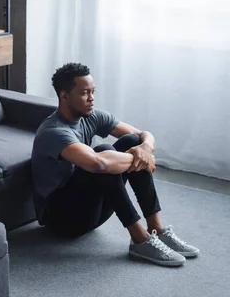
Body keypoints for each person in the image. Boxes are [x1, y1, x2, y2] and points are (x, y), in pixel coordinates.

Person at [31, 62, 199, 267]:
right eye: (85, 93)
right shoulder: (54, 131)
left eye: (93, 92)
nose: (91, 99)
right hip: (62, 220)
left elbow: (143, 135)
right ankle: (140, 239)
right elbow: (98, 164)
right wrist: (142, 159)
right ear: (64, 96)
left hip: (92, 212)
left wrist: (145, 148)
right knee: (104, 154)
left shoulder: (92, 116)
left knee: (132, 142)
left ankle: (156, 229)